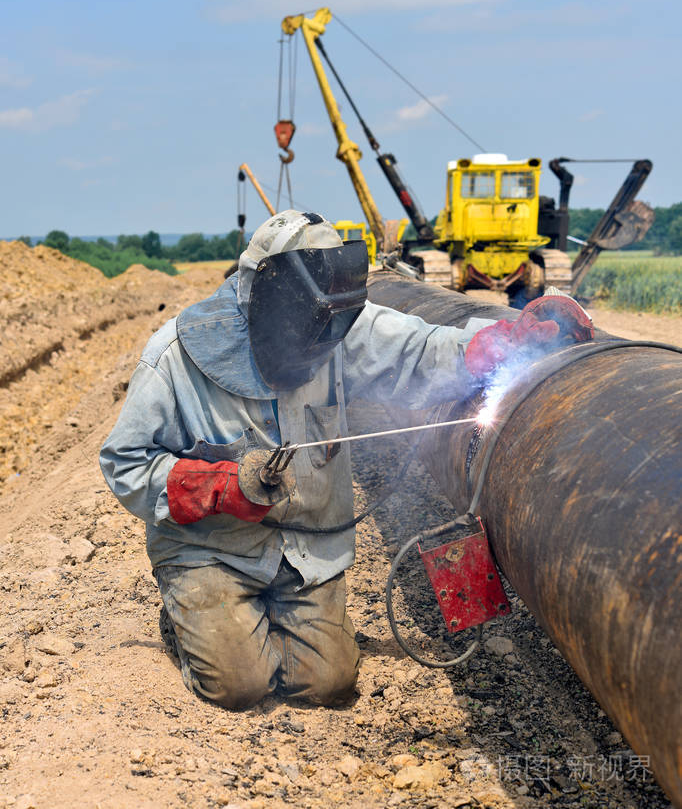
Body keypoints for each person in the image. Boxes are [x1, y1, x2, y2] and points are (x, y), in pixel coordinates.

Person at [100, 209, 592, 710]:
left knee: (327, 685)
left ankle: (253, 623)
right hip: (214, 552)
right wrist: (216, 486)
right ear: (263, 296)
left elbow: (420, 352)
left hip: (307, 551)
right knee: (239, 687)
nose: (322, 340)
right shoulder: (174, 358)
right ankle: (189, 621)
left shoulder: (338, 325)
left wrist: (508, 343)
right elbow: (124, 461)